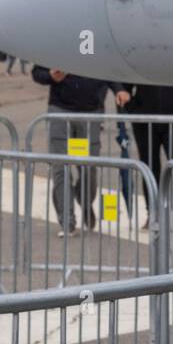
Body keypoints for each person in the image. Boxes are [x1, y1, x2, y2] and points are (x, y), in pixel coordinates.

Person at [31, 67, 122, 236]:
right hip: (61, 112)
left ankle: (85, 200)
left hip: (89, 114)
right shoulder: (57, 41)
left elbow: (110, 68)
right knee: (61, 168)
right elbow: (37, 72)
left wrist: (120, 90)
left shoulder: (97, 44)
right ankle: (67, 221)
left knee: (88, 167)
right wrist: (50, 76)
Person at [116, 84, 173, 229]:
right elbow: (123, 82)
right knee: (149, 166)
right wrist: (132, 105)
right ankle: (153, 212)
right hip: (144, 118)